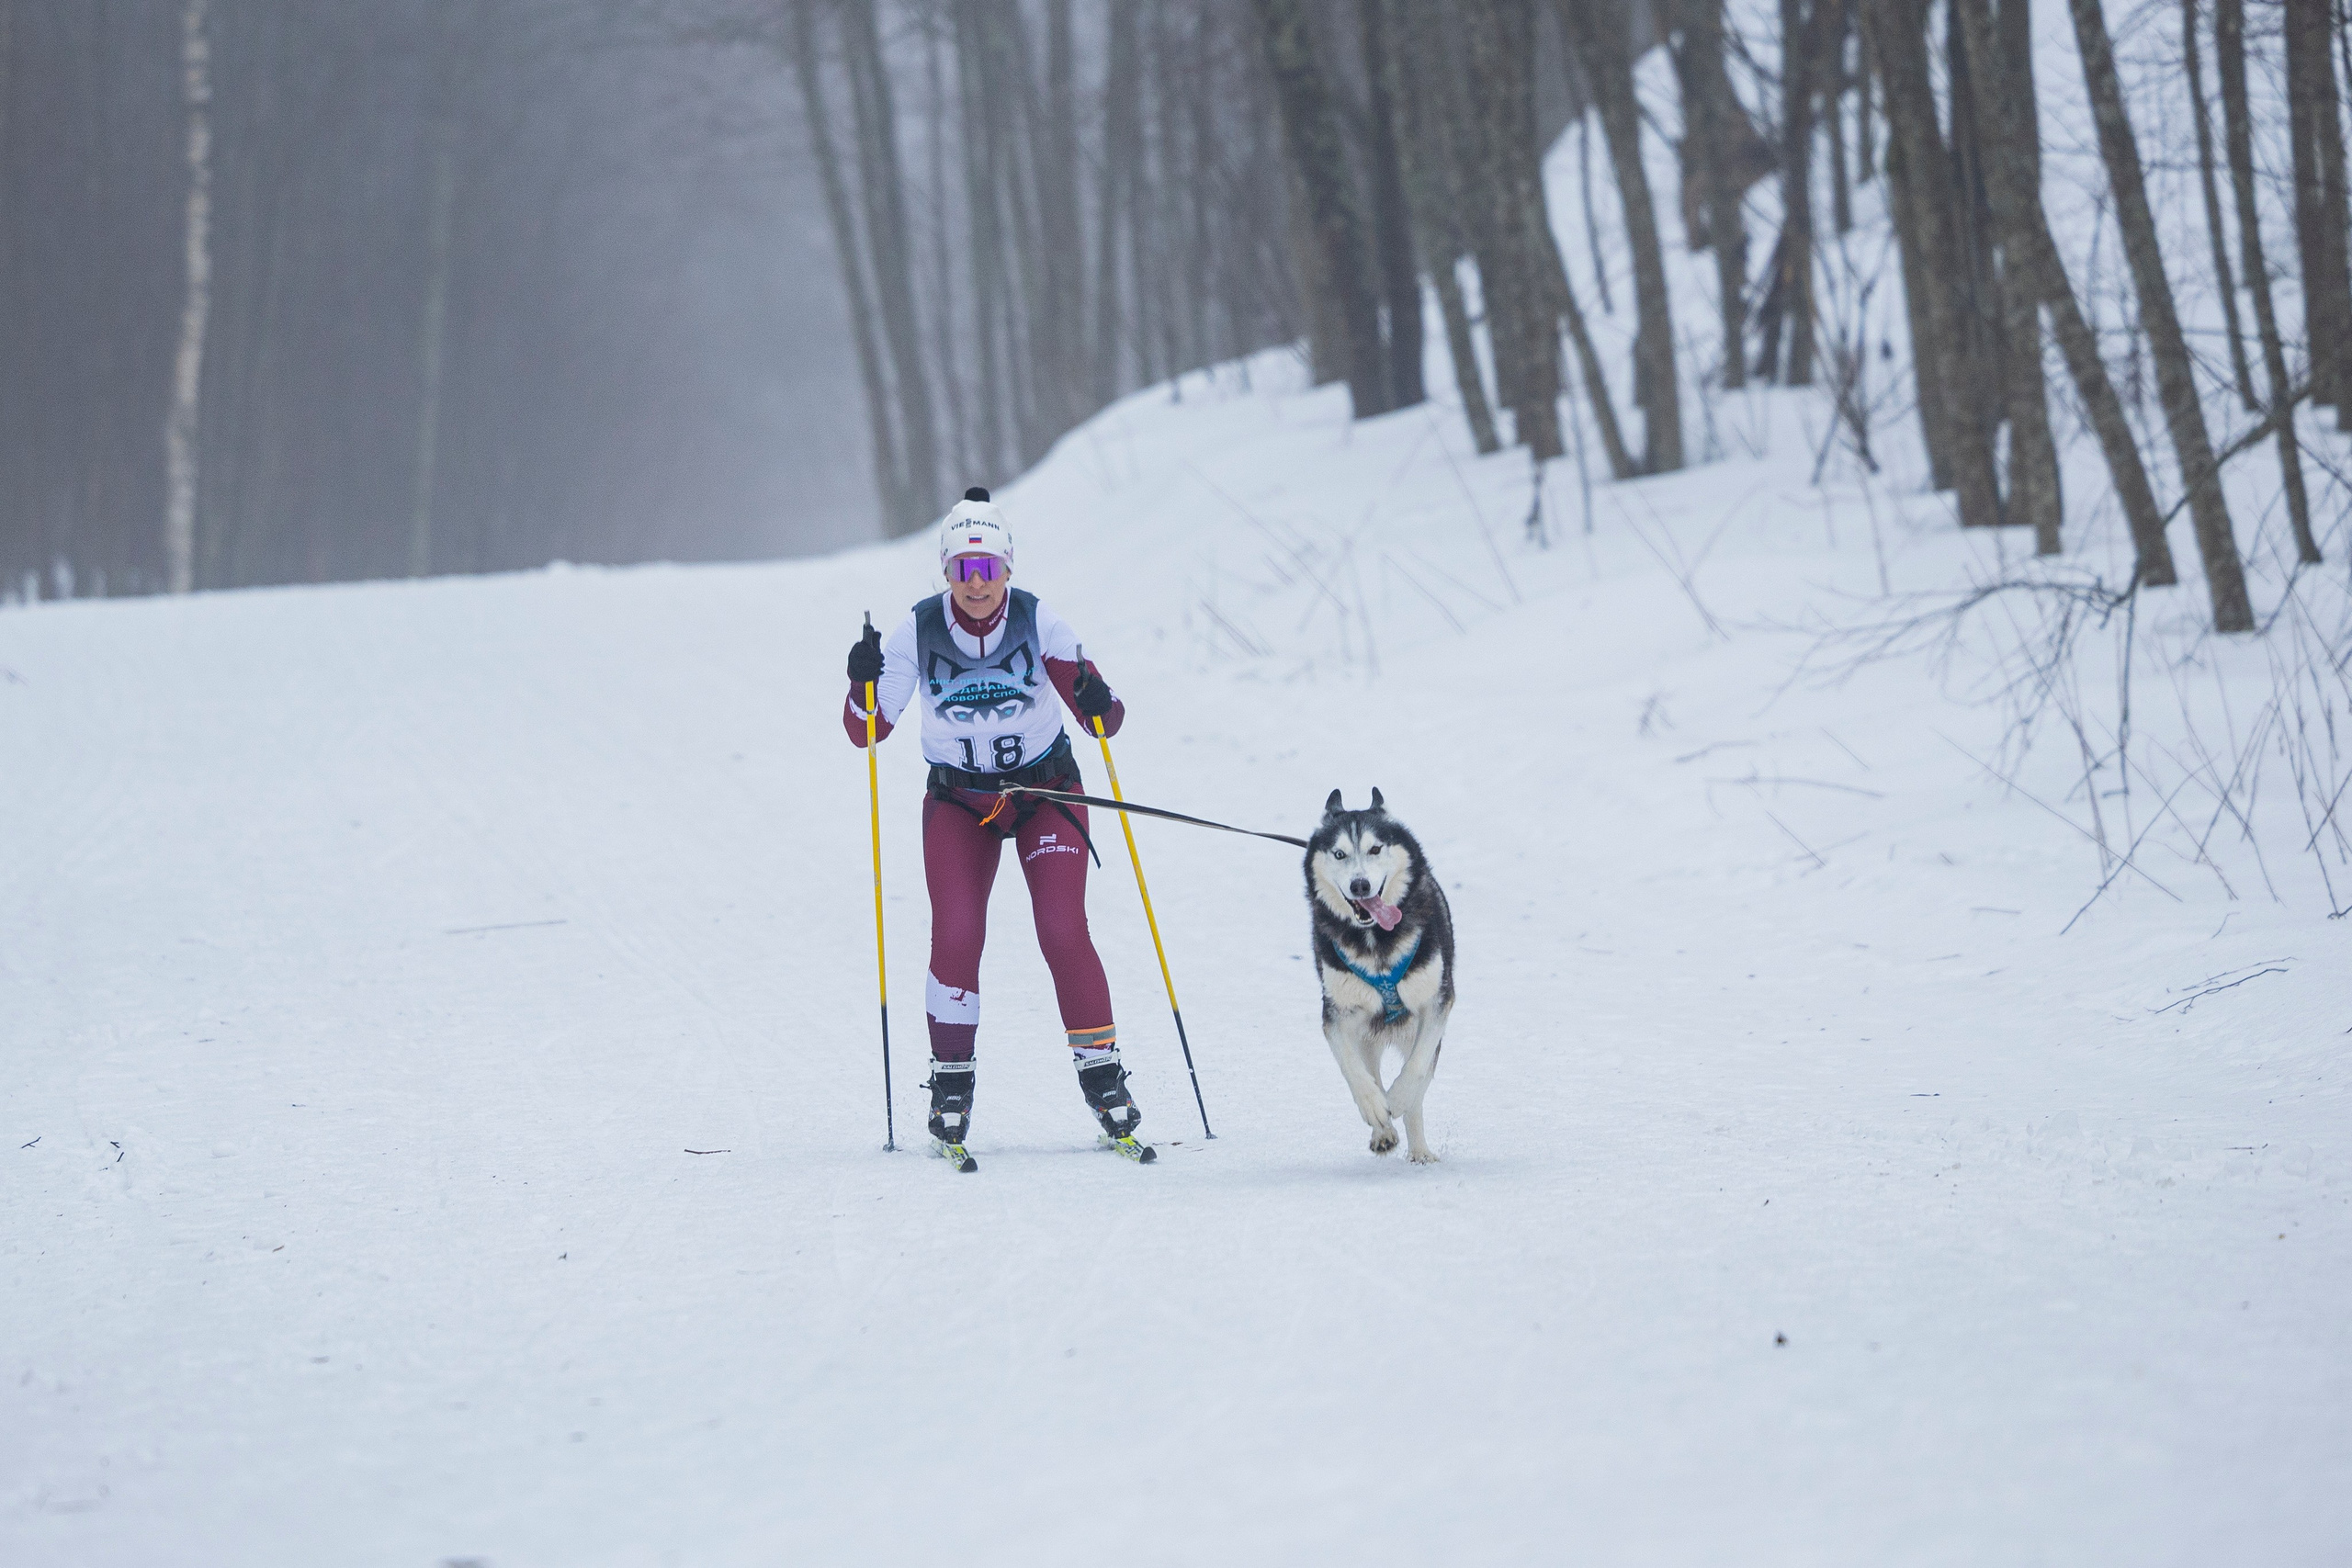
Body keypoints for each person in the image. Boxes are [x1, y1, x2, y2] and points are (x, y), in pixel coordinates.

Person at [843, 487, 1139, 1155]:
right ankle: (951, 1082)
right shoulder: (914, 630)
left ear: (1008, 568)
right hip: (959, 803)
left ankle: (1104, 1075)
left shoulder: (1041, 622)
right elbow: (867, 731)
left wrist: (1093, 695)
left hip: (1047, 794)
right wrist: (860, 682)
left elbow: (1107, 719)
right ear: (945, 573)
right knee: (955, 935)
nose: (976, 584)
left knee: (1063, 929)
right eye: (962, 570)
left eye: (988, 569)